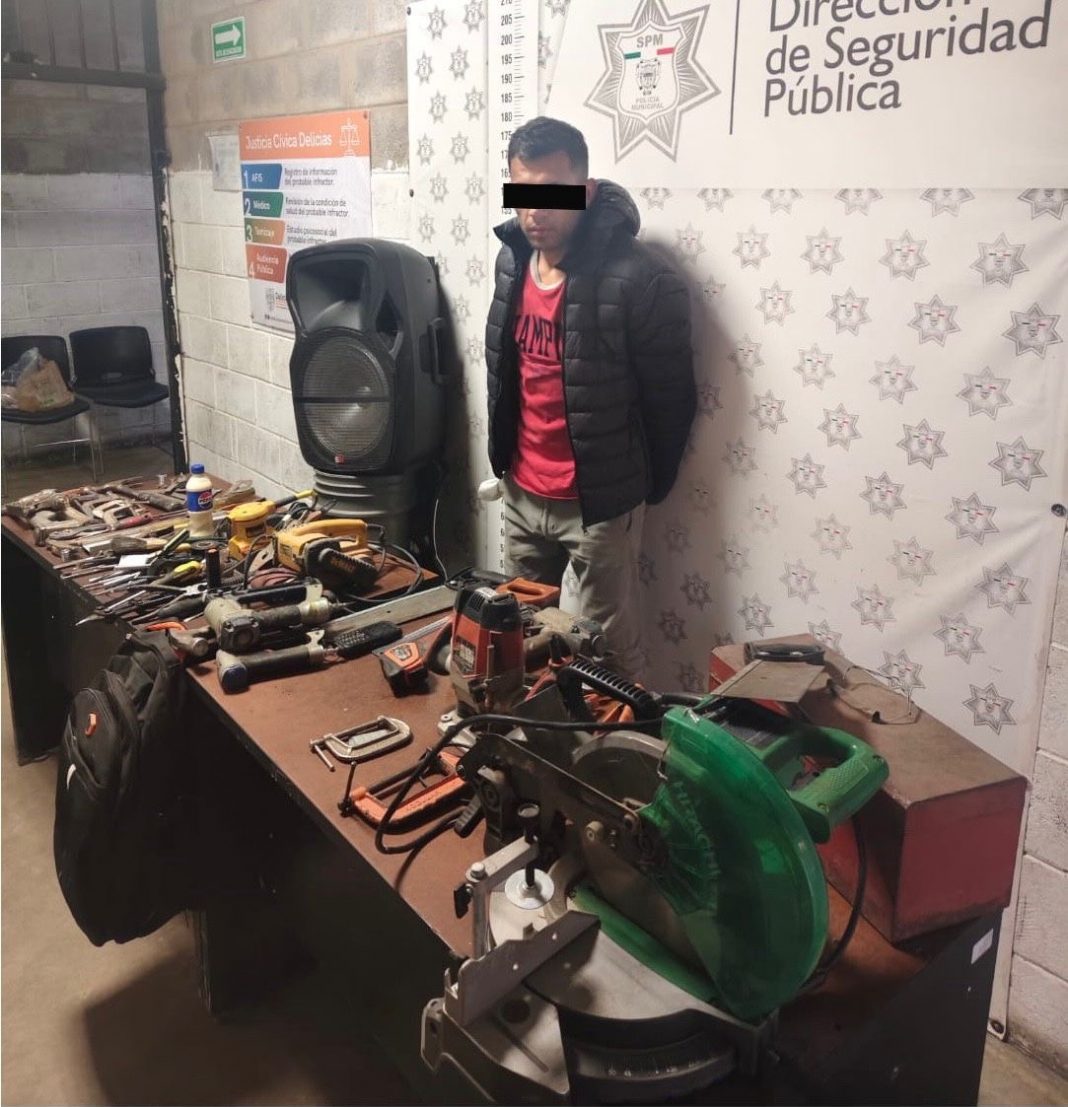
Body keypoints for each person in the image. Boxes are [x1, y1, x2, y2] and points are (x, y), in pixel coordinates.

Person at [485, 116, 696, 681]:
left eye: (553, 193)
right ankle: (530, 731)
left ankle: (624, 735)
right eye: (523, 192)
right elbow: (505, 373)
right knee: (522, 637)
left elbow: (672, 398)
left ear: (586, 188)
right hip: (522, 491)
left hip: (599, 504)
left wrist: (638, 491)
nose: (536, 211)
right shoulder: (511, 261)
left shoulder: (638, 277)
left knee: (605, 652)